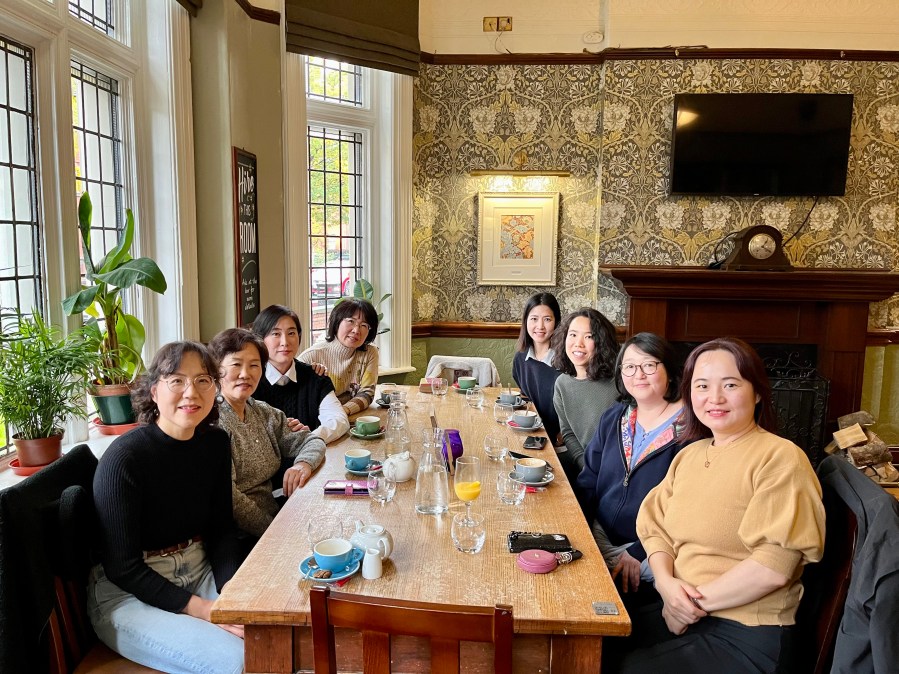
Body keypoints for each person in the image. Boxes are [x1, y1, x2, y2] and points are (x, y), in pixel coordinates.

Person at [621, 337, 825, 674]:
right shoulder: (690, 454)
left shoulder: (781, 457)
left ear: (757, 392)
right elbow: (655, 529)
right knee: (598, 643)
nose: (714, 397)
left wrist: (685, 606)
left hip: (748, 630)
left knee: (630, 669)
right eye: (702, 386)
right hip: (681, 609)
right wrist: (666, 585)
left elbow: (774, 567)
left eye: (730, 385)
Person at [88, 342, 245, 674]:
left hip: (198, 567)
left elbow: (221, 529)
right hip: (128, 592)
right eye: (177, 380)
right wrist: (203, 609)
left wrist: (231, 592)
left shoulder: (216, 444)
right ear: (154, 391)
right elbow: (123, 568)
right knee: (237, 662)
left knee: (273, 633)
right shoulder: (124, 459)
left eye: (203, 380)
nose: (191, 392)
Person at [576, 332, 685, 597]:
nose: (639, 375)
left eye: (649, 365)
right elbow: (589, 479)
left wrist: (638, 551)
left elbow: (685, 511)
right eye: (630, 367)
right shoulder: (614, 417)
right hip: (601, 533)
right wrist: (577, 530)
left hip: (654, 549)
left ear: (670, 372)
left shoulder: (689, 431)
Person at [210, 328, 326, 542]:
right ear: (217, 370)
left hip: (275, 517)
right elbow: (231, 500)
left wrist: (303, 464)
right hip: (237, 536)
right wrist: (276, 533)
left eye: (254, 365)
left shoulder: (262, 412)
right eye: (236, 364)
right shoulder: (215, 422)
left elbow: (312, 441)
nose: (245, 374)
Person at [251, 304, 350, 443]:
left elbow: (339, 420)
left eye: (291, 333)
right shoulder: (250, 381)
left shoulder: (316, 377)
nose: (285, 342)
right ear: (261, 339)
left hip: (309, 453)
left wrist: (308, 440)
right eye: (276, 334)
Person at [551, 307, 619, 480]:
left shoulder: (618, 382)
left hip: (616, 471)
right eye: (573, 335)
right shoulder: (562, 384)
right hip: (587, 470)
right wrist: (586, 467)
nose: (578, 343)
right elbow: (568, 433)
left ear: (602, 342)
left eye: (589, 337)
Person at [299, 298, 379, 416]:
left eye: (364, 325)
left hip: (350, 419)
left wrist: (342, 412)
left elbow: (367, 394)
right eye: (351, 321)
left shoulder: (370, 353)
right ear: (337, 322)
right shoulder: (310, 357)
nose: (356, 330)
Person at [511, 292, 563, 446]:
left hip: (560, 443)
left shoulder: (566, 361)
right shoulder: (520, 358)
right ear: (526, 321)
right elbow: (526, 399)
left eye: (547, 319)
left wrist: (563, 437)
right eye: (534, 319)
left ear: (556, 322)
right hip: (531, 436)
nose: (540, 326)